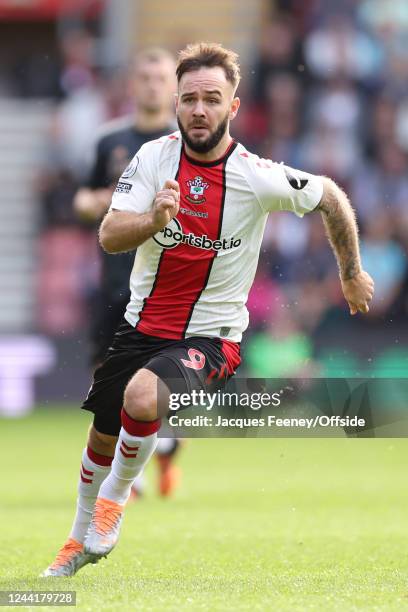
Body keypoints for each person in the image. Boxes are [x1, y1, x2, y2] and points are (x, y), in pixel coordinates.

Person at [41, 42, 374, 577]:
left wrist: (351, 271)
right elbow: (107, 234)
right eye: (190, 98)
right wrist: (153, 219)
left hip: (212, 337)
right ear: (176, 103)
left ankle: (114, 503)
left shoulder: (255, 175)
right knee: (101, 436)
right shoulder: (152, 158)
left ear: (233, 107)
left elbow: (330, 196)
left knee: (144, 396)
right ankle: (75, 543)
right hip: (141, 327)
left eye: (212, 99)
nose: (199, 109)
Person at [74, 47, 181, 500]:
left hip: (168, 281)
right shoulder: (110, 141)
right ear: (133, 84)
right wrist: (93, 203)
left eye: (162, 78)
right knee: (108, 377)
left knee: (161, 381)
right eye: (146, 77)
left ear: (173, 87)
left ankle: (166, 452)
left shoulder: (187, 143)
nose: (154, 85)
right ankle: (134, 469)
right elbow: (82, 198)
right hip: (116, 278)